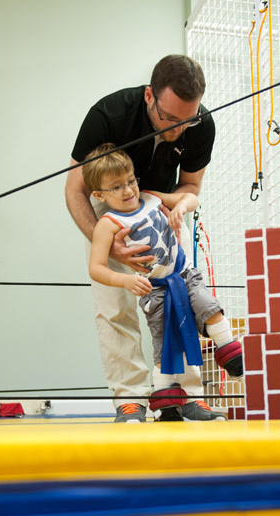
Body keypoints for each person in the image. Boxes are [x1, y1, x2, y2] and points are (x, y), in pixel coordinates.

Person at [65, 55, 224, 422]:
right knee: (115, 305)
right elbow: (75, 190)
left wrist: (178, 207)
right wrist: (105, 243)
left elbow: (191, 186)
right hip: (111, 219)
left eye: (187, 120)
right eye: (169, 119)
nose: (177, 129)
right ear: (150, 96)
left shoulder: (200, 124)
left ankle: (183, 393)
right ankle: (130, 397)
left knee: (179, 302)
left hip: (164, 213)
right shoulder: (108, 115)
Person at [83, 144, 243, 421]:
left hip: (184, 275)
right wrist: (124, 280)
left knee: (209, 307)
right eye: (117, 187)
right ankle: (166, 400)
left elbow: (192, 199)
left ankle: (229, 352)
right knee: (165, 344)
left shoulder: (152, 199)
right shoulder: (108, 224)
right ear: (99, 195)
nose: (128, 191)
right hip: (155, 290)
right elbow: (96, 268)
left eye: (131, 181)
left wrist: (180, 207)